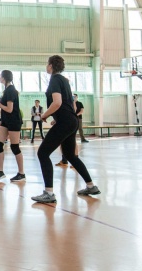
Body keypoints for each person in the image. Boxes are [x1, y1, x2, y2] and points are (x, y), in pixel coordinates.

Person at [31, 56, 100, 204]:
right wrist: (58, 117)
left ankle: (49, 193)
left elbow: (57, 102)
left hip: (66, 122)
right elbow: (71, 105)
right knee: (70, 155)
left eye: (47, 64)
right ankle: (91, 186)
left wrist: (45, 115)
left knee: (43, 153)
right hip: (71, 120)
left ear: (51, 66)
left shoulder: (55, 79)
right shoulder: (64, 80)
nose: (46, 66)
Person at [0, 70, 26, 183]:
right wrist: (2, 120)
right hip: (6, 122)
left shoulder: (11, 90)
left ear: (4, 78)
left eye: (0, 76)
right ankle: (0, 172)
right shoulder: (6, 90)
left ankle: (21, 173)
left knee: (14, 147)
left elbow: (10, 109)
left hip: (14, 122)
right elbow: (7, 110)